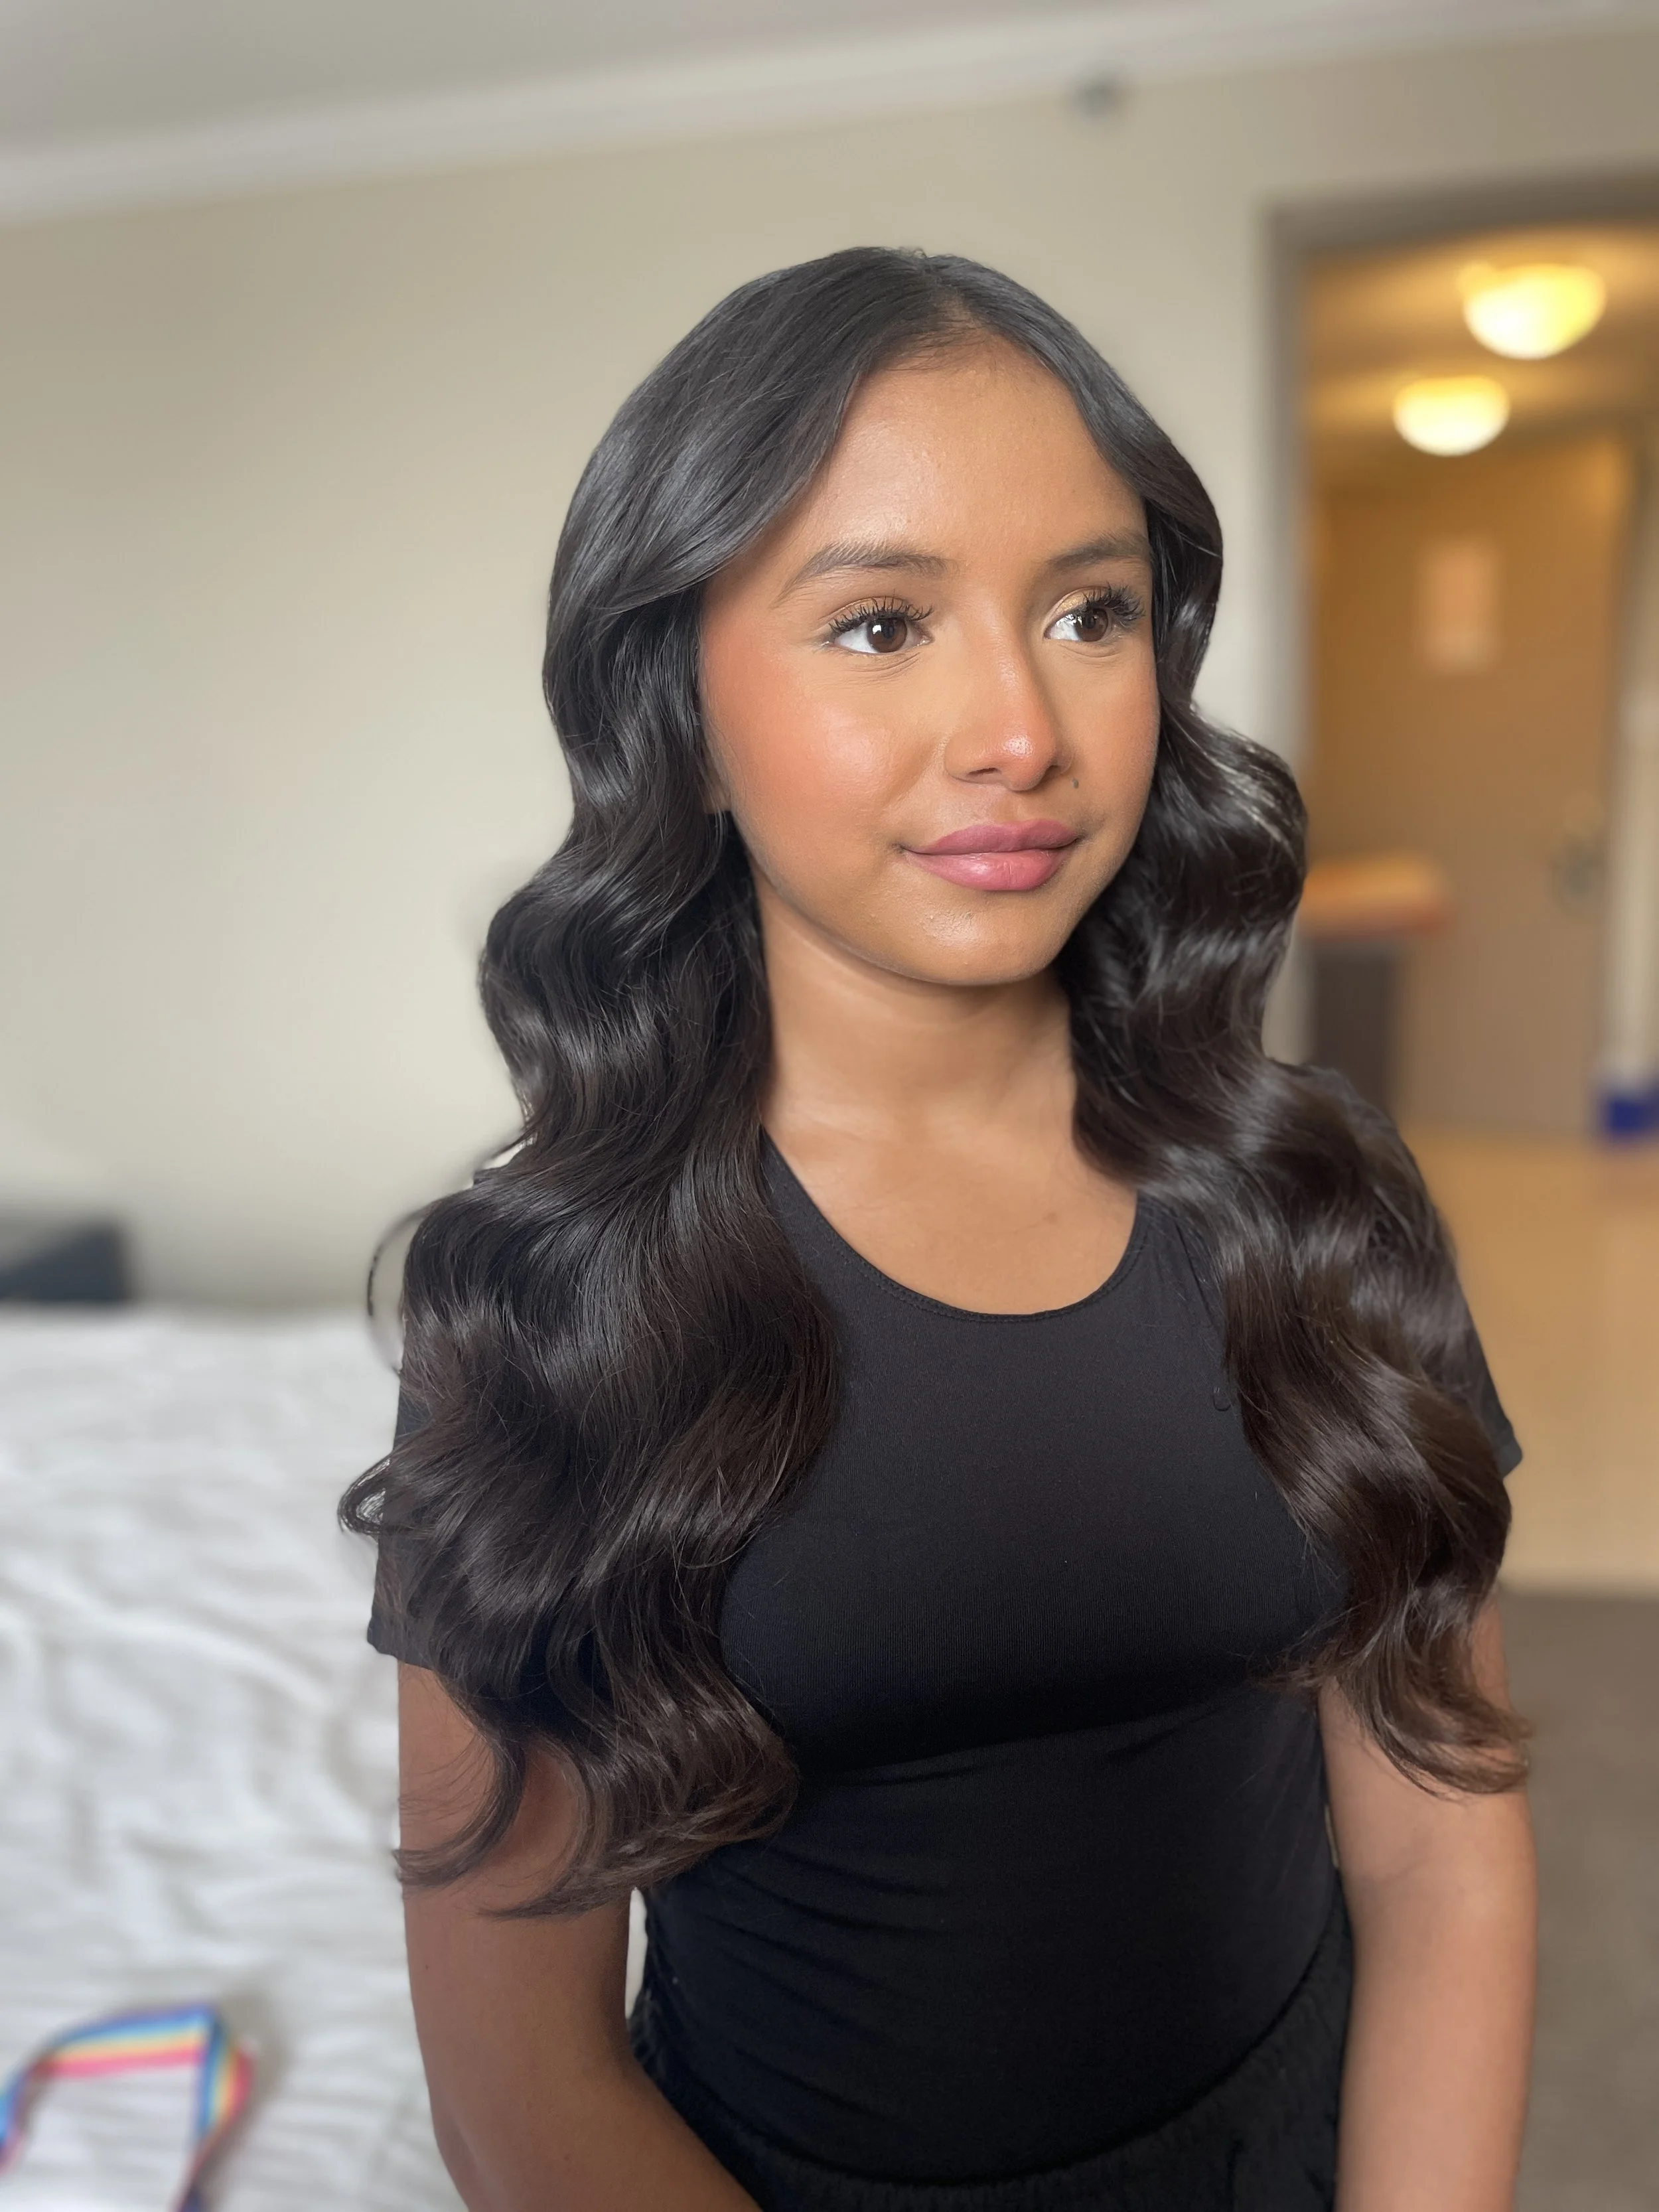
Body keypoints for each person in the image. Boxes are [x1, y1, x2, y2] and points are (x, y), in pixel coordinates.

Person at [346, 248, 1536, 2212]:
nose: (1018, 730)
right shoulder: (548, 1311)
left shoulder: (1319, 1194)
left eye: (1089, 610)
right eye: (881, 624)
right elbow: (520, 2081)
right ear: (680, 703)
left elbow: (1433, 1843)